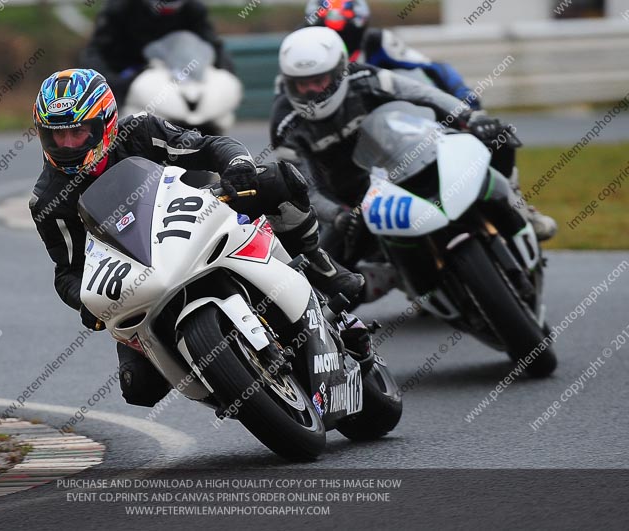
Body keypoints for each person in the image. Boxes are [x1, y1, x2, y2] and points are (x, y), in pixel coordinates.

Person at [29, 68, 363, 408]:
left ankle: (319, 266)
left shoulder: (140, 132)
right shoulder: (48, 201)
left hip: (199, 215)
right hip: (142, 275)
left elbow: (209, 146)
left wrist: (236, 164)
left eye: (79, 132)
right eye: (58, 136)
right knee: (138, 388)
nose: (69, 144)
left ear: (106, 122)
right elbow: (68, 271)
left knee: (278, 180)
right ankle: (224, 381)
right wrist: (85, 302)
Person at [269, 27, 557, 300]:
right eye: (302, 84)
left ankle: (518, 210)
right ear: (288, 82)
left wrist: (470, 118)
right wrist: (338, 215)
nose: (311, 92)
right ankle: (391, 276)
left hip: (399, 166)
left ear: (340, 71)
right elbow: (302, 188)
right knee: (322, 273)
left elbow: (422, 94)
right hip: (350, 203)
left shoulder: (365, 77)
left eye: (318, 81)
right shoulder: (284, 123)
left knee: (499, 139)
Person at [302, 0, 481, 109]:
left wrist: (464, 99)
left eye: (346, 34)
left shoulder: (376, 41)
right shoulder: (301, 50)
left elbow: (434, 67)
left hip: (381, 127)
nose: (339, 43)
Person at [80, 0, 234, 104]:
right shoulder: (121, 7)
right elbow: (95, 51)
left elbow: (212, 45)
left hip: (177, 82)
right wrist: (112, 83)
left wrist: (226, 75)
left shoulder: (192, 8)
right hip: (128, 82)